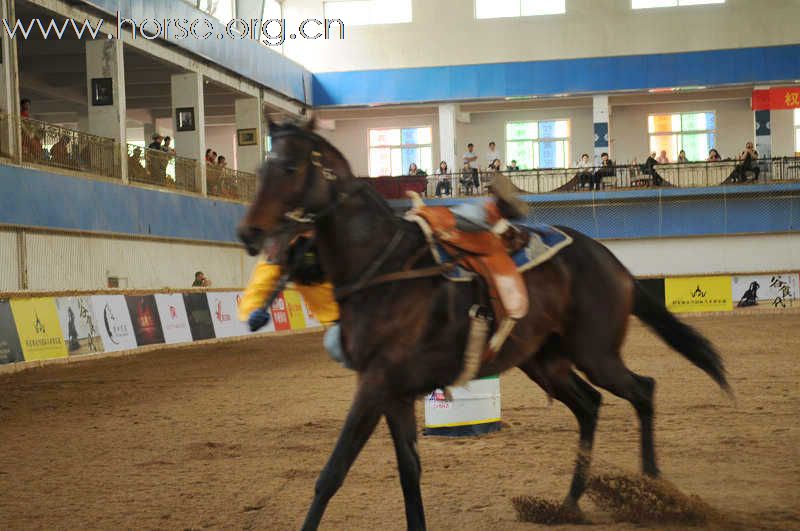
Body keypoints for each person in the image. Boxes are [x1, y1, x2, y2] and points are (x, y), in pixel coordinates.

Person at [238, 233, 345, 365]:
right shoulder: (283, 243)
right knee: (335, 343)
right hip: (341, 319)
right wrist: (251, 310)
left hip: (368, 302)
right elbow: (263, 279)